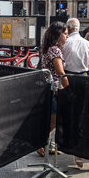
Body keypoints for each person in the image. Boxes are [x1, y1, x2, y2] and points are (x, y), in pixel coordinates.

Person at [37, 22, 70, 158]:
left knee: (52, 118)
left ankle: (46, 143)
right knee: (55, 119)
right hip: (55, 88)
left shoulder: (47, 48)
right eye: (65, 34)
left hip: (48, 88)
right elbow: (61, 73)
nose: (67, 37)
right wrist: (69, 88)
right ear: (58, 35)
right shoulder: (55, 50)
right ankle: (40, 142)